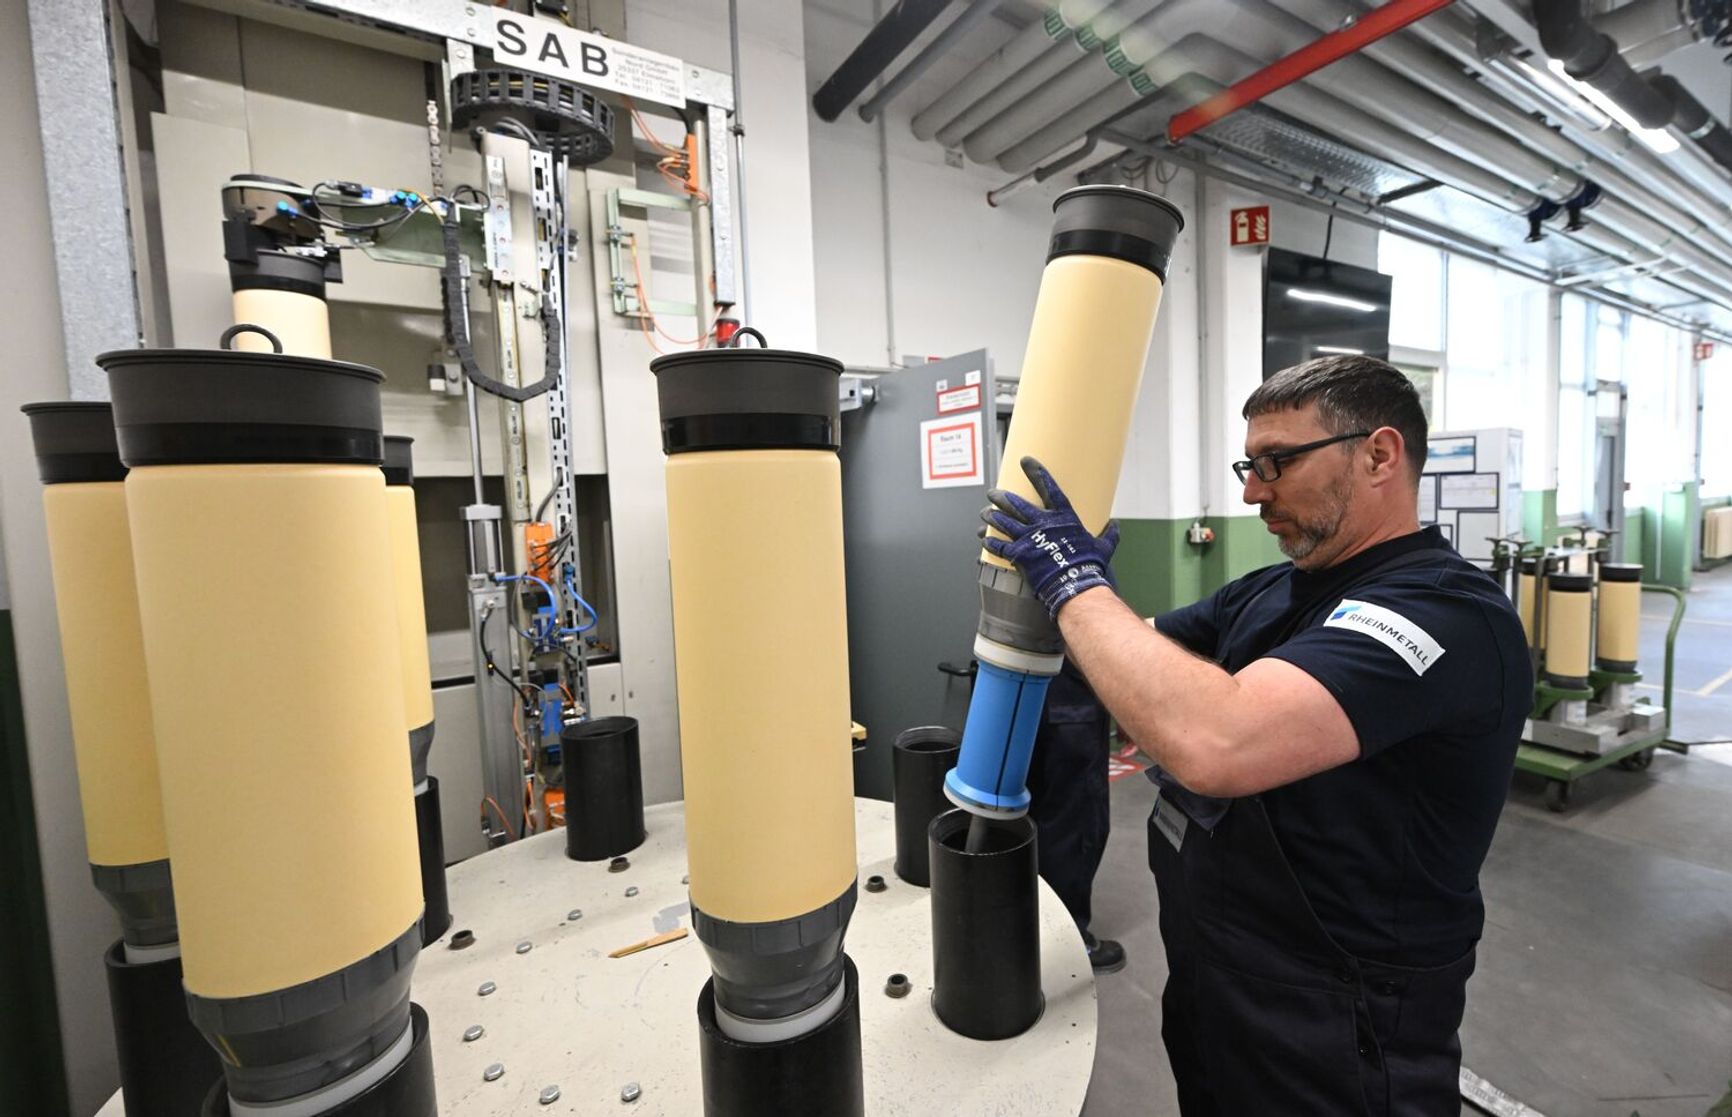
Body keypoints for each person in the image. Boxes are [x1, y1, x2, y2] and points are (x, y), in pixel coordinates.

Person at [980, 355, 1531, 1115]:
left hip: (1341, 1021)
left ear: (1378, 454)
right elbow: (1137, 651)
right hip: (1220, 981)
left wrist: (1074, 583)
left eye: (1276, 463)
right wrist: (1074, 612)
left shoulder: (1443, 615)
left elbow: (1216, 739)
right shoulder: (1274, 587)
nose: (1250, 490)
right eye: (1250, 463)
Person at [1025, 658, 1123, 973]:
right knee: (1077, 820)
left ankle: (1029, 930)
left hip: (1026, 682)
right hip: (1071, 691)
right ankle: (1070, 939)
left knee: (1030, 810)